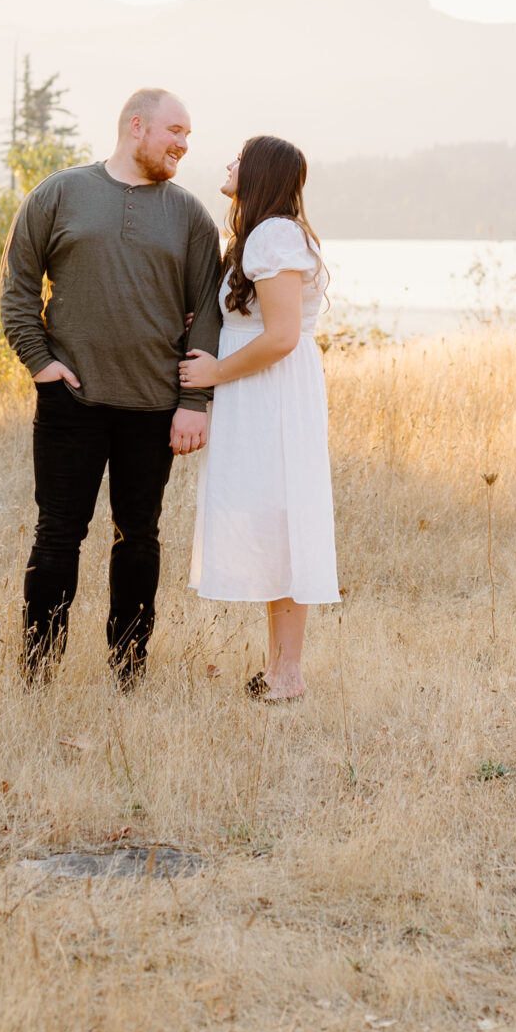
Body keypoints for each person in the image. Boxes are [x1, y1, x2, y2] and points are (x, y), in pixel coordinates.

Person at [1, 88, 223, 687]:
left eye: (188, 137)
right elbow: (17, 285)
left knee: (139, 539)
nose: (182, 144)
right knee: (57, 535)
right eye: (175, 130)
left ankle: (128, 671)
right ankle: (38, 673)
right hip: (70, 403)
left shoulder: (191, 216)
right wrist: (41, 365)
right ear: (136, 126)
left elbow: (207, 312)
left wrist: (193, 402)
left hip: (153, 409)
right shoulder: (60, 193)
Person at [181, 135, 338, 701]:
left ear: (262, 172)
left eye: (239, 158)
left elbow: (281, 335)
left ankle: (288, 673)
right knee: (275, 521)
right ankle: (278, 669)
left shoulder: (272, 235)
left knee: (283, 520)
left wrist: (214, 375)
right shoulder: (262, 234)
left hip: (270, 393)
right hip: (263, 392)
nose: (228, 164)